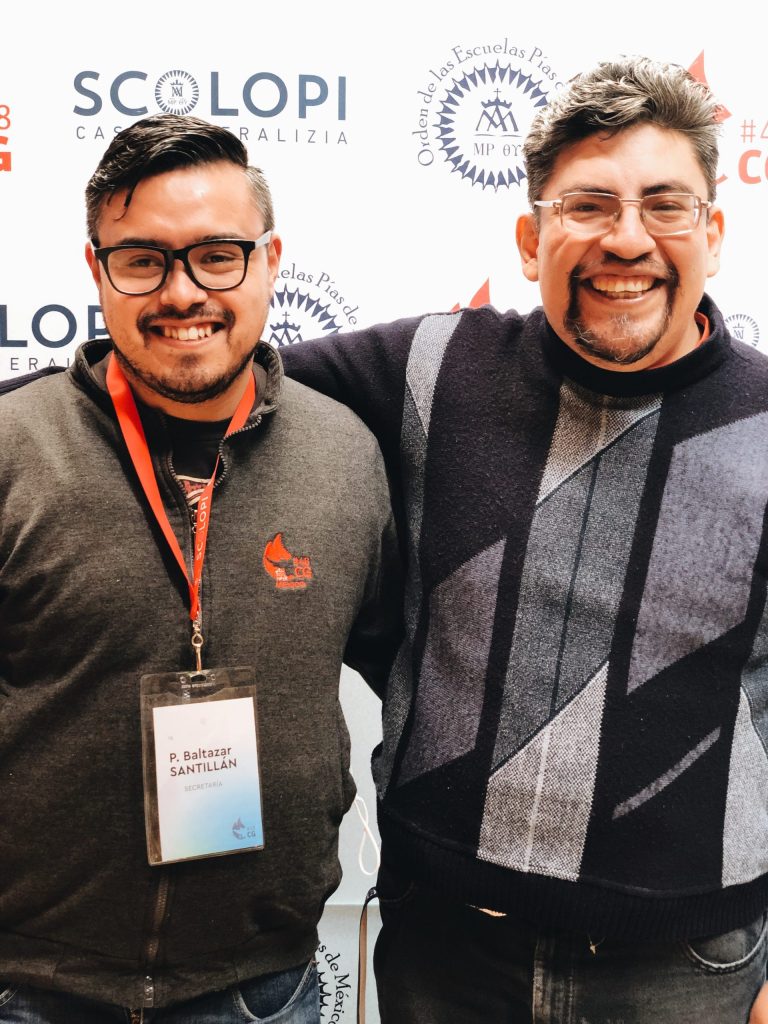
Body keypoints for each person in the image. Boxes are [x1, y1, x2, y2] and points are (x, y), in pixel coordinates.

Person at [280, 57, 768, 1022]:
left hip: (689, 969)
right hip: (445, 950)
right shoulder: (428, 369)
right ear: (530, 238)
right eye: (588, 205)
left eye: (665, 205)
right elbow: (207, 378)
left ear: (712, 235)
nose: (627, 238)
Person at [0, 115, 401, 1023]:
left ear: (270, 260)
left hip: (264, 989)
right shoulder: (14, 451)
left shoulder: (347, 455)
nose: (183, 293)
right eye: (142, 260)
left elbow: (406, 670)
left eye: (218, 256)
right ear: (97, 270)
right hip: (31, 988)